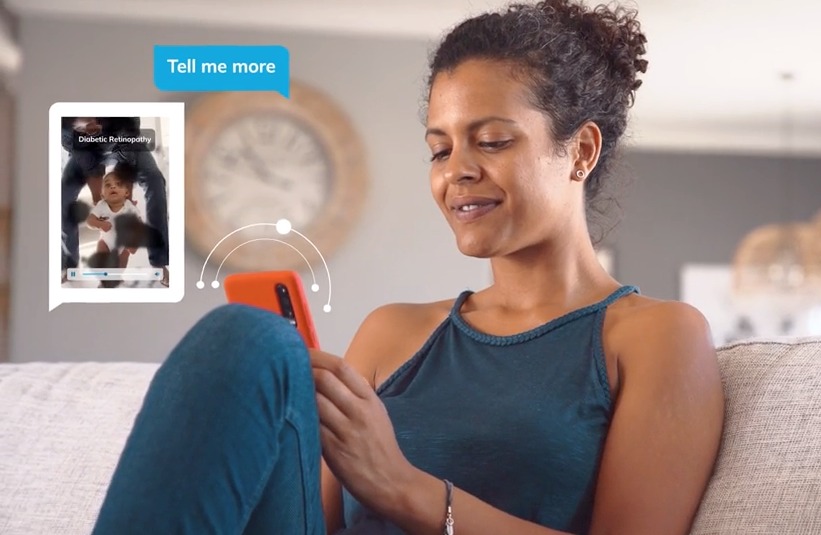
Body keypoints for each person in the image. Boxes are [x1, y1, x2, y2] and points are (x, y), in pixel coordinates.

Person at [91, 1, 725, 534]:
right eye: (439, 149)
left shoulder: (656, 337)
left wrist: (406, 488)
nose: (456, 172)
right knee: (249, 339)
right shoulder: (392, 333)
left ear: (580, 150)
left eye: (494, 141)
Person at [60, 116, 170, 286]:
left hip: (126, 143)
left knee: (155, 181)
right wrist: (99, 199)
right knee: (63, 195)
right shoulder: (70, 122)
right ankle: (68, 265)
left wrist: (127, 193)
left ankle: (159, 262)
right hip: (82, 148)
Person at [84, 166, 141, 287]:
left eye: (118, 184)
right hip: (106, 241)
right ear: (103, 194)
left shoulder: (129, 207)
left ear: (126, 192)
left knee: (121, 264)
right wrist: (99, 224)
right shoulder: (102, 205)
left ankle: (116, 277)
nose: (113, 186)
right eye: (108, 185)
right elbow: (89, 220)